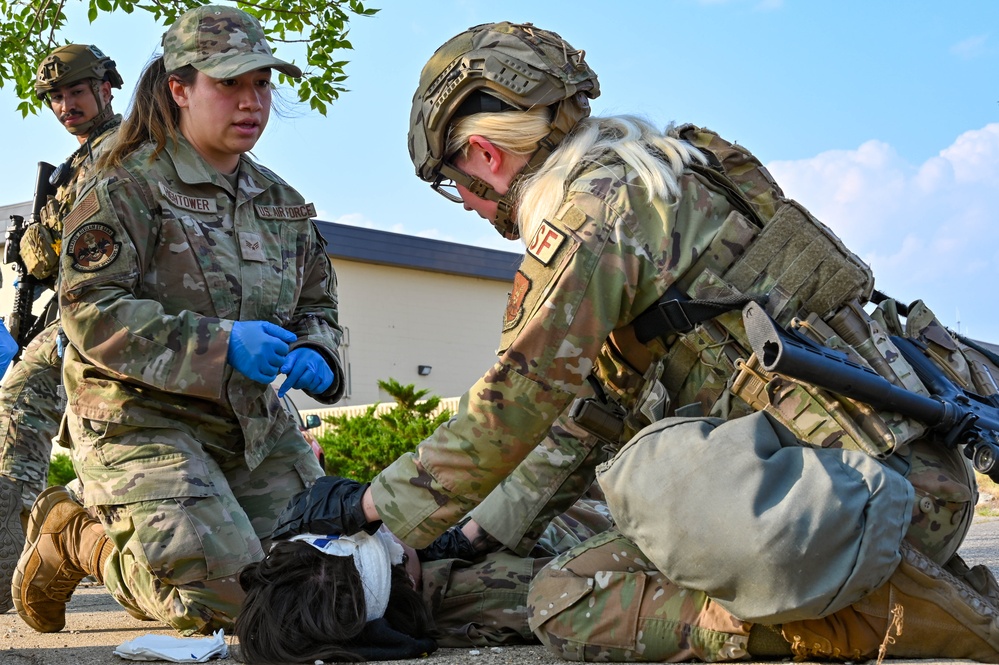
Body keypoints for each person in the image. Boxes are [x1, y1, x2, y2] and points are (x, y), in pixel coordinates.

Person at [273, 20, 999, 662]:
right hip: (897, 478)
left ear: (482, 155)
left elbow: (510, 409)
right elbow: (592, 411)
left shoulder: (592, 220)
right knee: (526, 552)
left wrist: (370, 506)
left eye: (449, 180)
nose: (462, 201)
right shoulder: (678, 170)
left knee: (562, 599)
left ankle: (884, 618)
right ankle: (867, 586)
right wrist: (467, 538)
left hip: (851, 505)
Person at [12, 4, 344, 636]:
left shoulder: (280, 203)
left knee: (324, 589)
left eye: (261, 83)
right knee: (236, 609)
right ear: (179, 88)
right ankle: (75, 536)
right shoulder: (123, 187)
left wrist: (318, 352)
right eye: (229, 83)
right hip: (141, 418)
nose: (251, 102)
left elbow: (317, 305)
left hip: (250, 425)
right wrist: (221, 344)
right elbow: (88, 311)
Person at [0, 44, 123, 614]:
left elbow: (66, 248)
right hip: (79, 318)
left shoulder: (122, 151)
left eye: (75, 92)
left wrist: (34, 243)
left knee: (18, 411)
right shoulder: (84, 160)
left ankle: (23, 563)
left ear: (106, 89)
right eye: (55, 96)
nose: (65, 105)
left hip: (101, 316)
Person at [237, 494, 613, 663]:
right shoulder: (490, 589)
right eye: (382, 536)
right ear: (408, 581)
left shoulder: (416, 555)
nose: (389, 526)